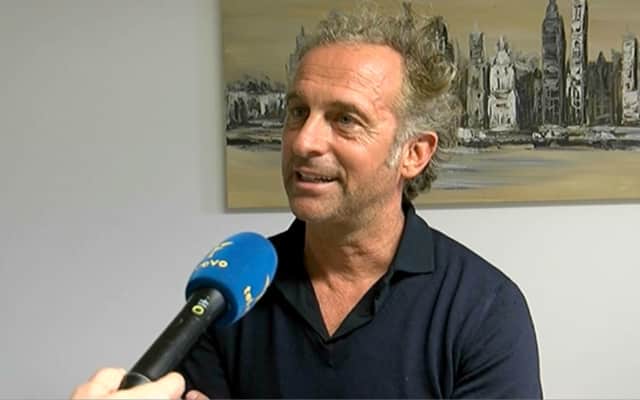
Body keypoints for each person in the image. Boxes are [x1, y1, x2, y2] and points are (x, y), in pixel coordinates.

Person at [73, 2, 542, 398]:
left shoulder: (483, 309)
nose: (303, 141)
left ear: (414, 153)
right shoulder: (234, 291)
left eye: (346, 119)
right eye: (298, 112)